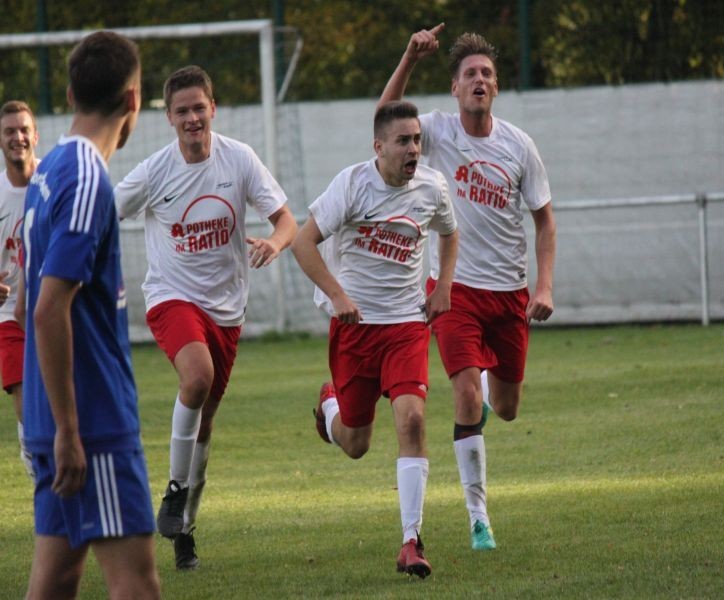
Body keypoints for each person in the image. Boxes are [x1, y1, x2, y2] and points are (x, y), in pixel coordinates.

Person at [378, 26, 557, 551]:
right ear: (454, 88)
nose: (479, 81)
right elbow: (385, 118)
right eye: (469, 74)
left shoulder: (519, 145)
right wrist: (409, 54)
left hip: (509, 295)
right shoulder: (433, 131)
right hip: (453, 290)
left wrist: (542, 286)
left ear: (495, 89)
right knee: (463, 391)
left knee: (505, 407)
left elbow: (544, 221)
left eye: (487, 75)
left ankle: (477, 403)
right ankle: (479, 518)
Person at [114, 65, 297, 570]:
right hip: (171, 297)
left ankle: (185, 529)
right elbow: (104, 213)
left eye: (200, 108)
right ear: (169, 118)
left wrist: (274, 244)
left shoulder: (239, 159)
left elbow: (286, 220)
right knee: (196, 377)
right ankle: (174, 488)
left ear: (212, 109)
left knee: (205, 426)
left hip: (226, 309)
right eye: (182, 111)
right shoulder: (154, 171)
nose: (193, 118)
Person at [292, 100, 458, 579]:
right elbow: (304, 244)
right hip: (356, 330)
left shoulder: (432, 187)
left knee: (411, 421)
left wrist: (443, 285)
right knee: (356, 443)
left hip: (407, 325)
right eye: (403, 141)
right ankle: (330, 409)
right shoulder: (352, 184)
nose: (413, 150)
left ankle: (411, 541)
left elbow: (450, 233)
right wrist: (338, 295)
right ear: (378, 147)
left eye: (417, 140)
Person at [20, 31, 160, 599]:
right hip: (91, 423)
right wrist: (71, 432)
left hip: (53, 417)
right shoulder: (85, 178)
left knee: (56, 582)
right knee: (138, 586)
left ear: (73, 91)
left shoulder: (50, 166)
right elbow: (50, 309)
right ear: (133, 101)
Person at [0, 100, 38, 479]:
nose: (18, 137)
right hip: (9, 315)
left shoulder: (54, 185)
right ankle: (38, 465)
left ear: (35, 135)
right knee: (30, 411)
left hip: (54, 311)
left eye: (24, 129)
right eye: (10, 131)